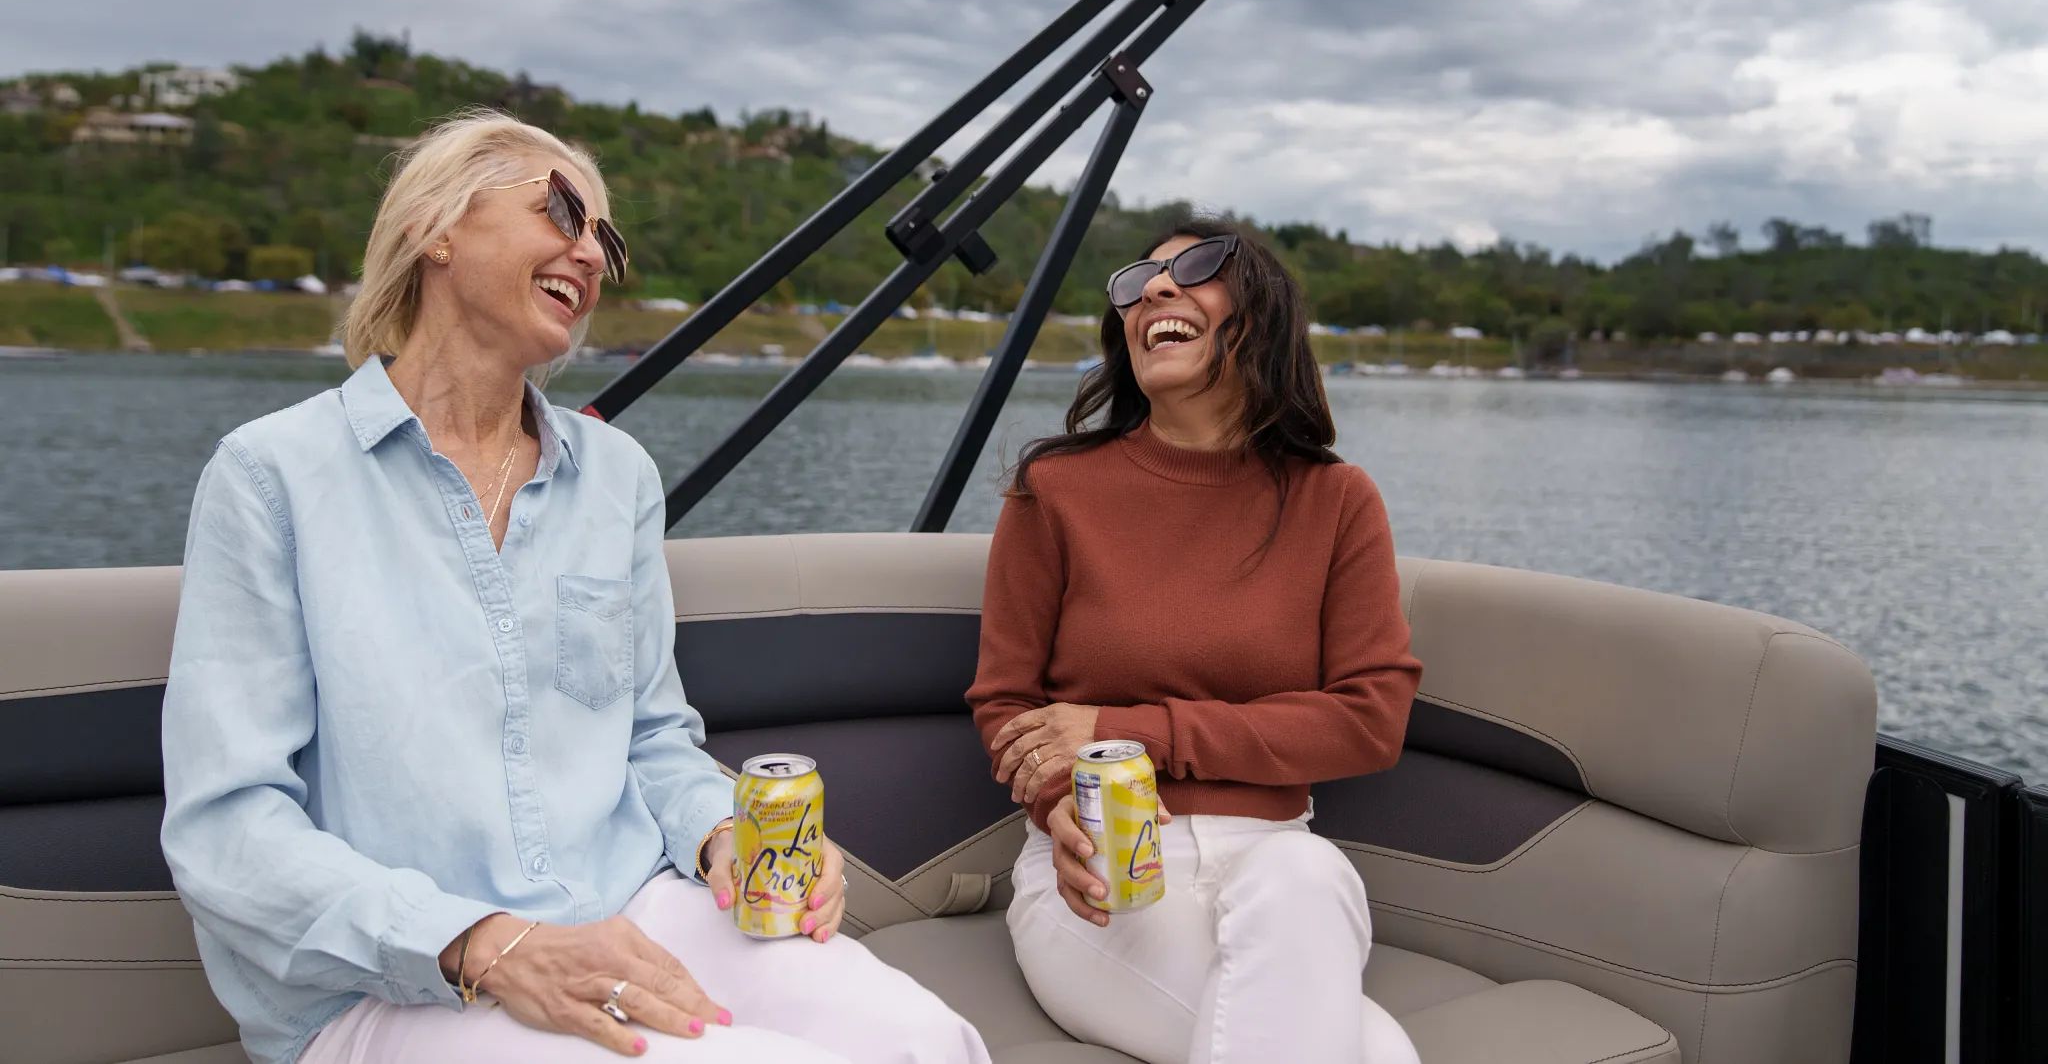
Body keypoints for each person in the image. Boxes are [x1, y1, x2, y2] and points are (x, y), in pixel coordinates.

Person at [161, 111, 990, 1064]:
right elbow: (229, 827)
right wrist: (489, 943)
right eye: (562, 211)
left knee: (926, 1039)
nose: (591, 252)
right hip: (389, 981)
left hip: (625, 902)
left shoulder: (617, 476)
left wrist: (726, 835)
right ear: (437, 226)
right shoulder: (273, 474)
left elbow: (649, 735)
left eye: (607, 236)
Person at [966, 220, 1425, 1064]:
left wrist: (1125, 726)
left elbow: (1369, 719)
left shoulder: (1338, 500)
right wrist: (1053, 805)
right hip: (1107, 871)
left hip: (1280, 863)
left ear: (1262, 317)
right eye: (1139, 279)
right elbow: (1006, 703)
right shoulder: (1056, 489)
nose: (1154, 289)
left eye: (1195, 270)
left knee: (1308, 874)